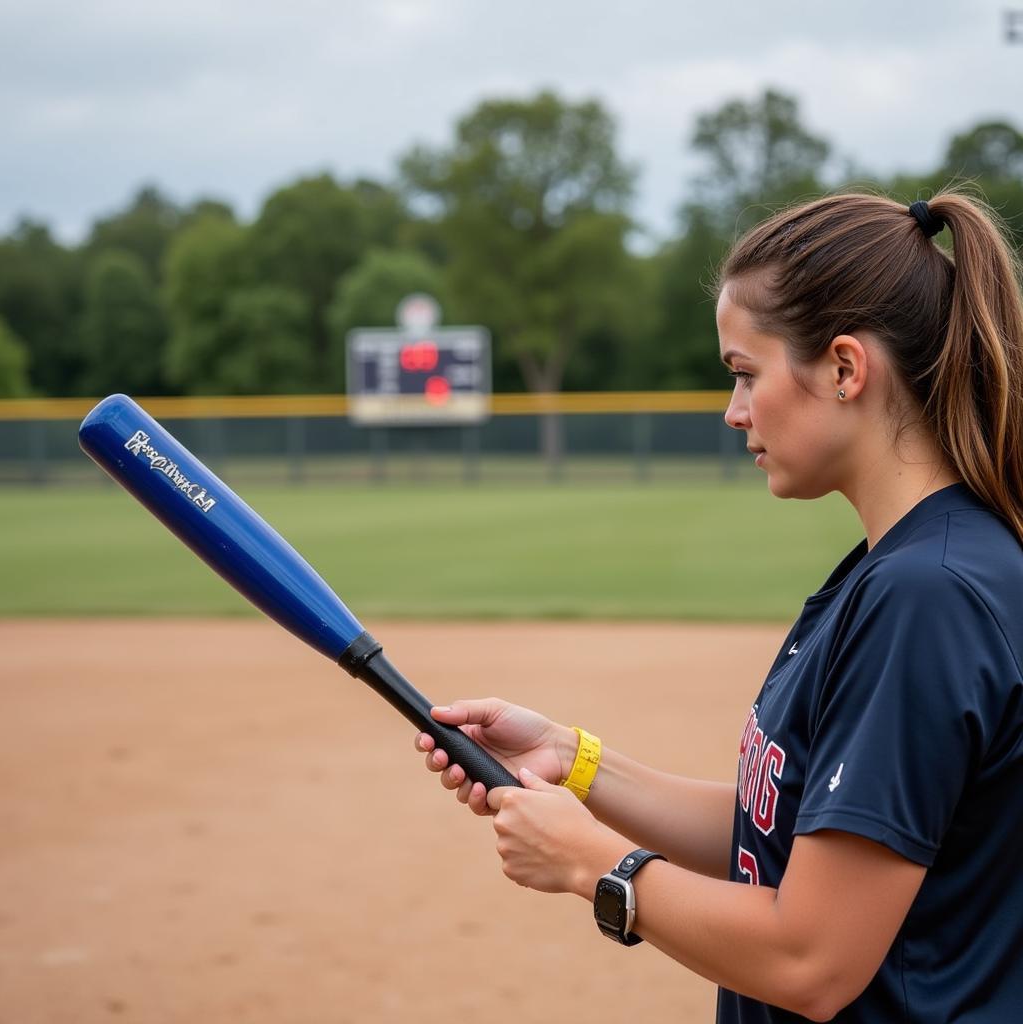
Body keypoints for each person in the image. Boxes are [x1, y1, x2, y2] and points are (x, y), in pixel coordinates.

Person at [415, 189, 1023, 1022]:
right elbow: (782, 833)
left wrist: (591, 861)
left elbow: (811, 958)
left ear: (846, 368)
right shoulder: (899, 568)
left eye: (745, 373)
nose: (734, 411)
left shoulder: (928, 596)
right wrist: (575, 758)